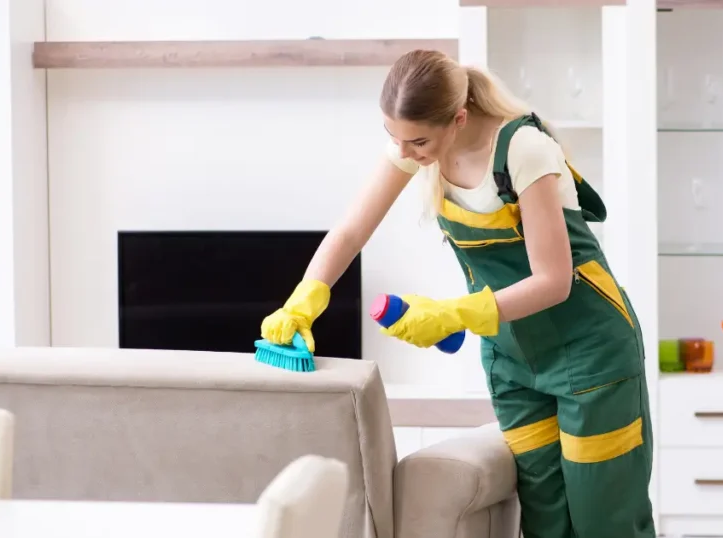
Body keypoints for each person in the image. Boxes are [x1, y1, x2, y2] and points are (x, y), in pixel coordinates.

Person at [260, 49, 656, 538]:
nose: (405, 153)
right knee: (546, 523)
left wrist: (453, 315)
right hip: (514, 363)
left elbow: (554, 280)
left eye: (418, 141)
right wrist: (306, 296)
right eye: (394, 137)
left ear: (459, 118)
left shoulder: (522, 149)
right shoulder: (415, 141)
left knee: (604, 522)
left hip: (593, 353)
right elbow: (350, 232)